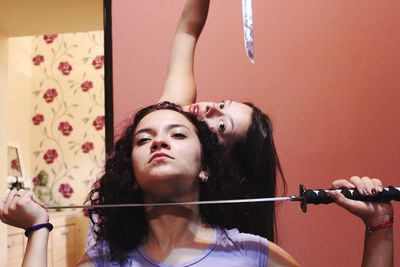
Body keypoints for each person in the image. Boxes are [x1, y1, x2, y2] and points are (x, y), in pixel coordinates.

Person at [0, 102, 394, 266]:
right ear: (131, 174)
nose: (158, 141)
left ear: (205, 167)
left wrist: (379, 229)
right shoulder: (106, 260)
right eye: (143, 139)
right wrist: (37, 228)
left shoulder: (252, 254)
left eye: (177, 135)